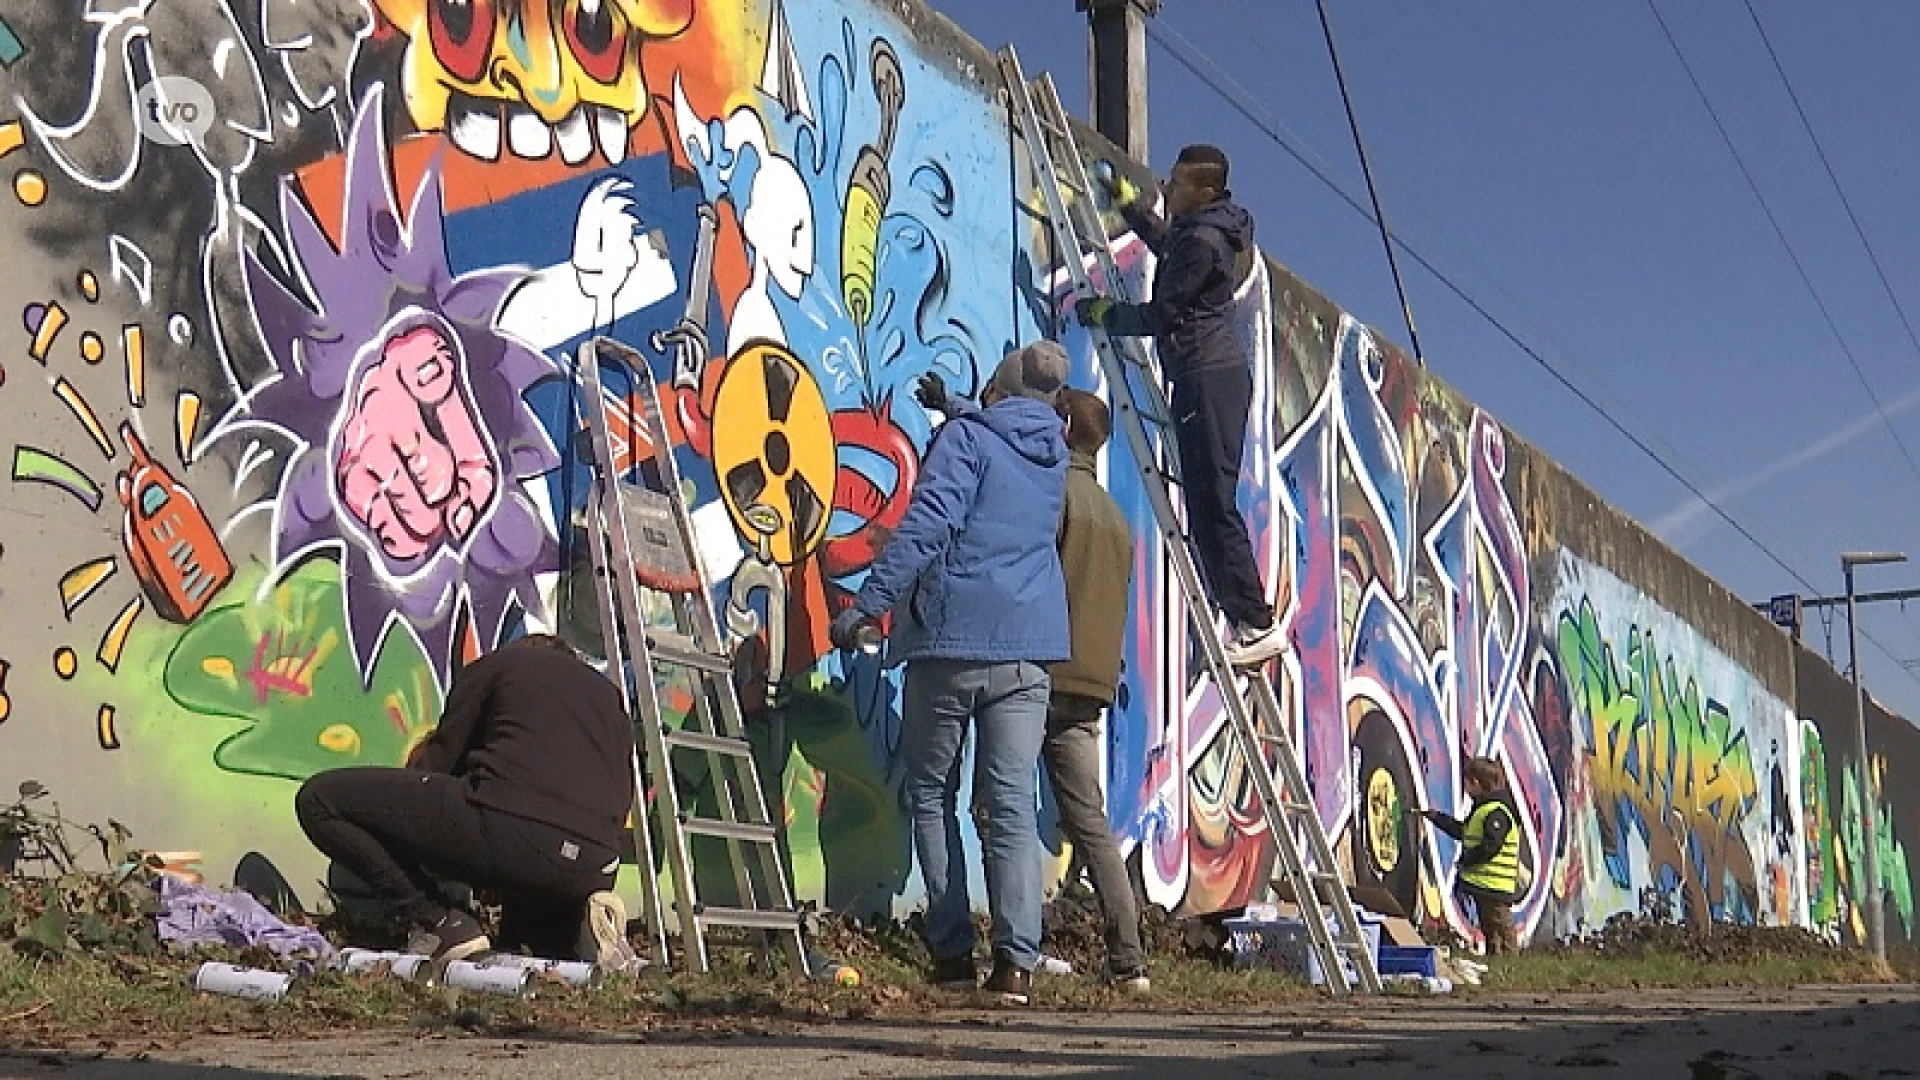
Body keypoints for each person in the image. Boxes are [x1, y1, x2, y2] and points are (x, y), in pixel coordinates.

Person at [830, 341, 1073, 1007]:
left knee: (933, 793)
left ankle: (951, 952)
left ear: (996, 387)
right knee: (1011, 809)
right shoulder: (1051, 452)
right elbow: (1003, 430)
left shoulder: (967, 442)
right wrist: (955, 408)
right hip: (1026, 652)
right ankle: (1017, 965)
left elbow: (929, 524)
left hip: (952, 641)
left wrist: (867, 607)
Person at [295, 634, 637, 970]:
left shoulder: (499, 665)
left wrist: (433, 851)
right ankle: (581, 928)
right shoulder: (610, 699)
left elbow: (439, 765)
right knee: (526, 949)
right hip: (594, 864)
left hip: (509, 831)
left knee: (320, 801)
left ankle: (437, 922)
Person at [1075, 144, 1282, 668]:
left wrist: (1107, 313)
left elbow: (1165, 312)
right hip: (1209, 374)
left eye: (1179, 182)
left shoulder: (1206, 239)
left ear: (1206, 191)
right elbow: (1170, 245)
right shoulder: (1204, 231)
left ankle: (1255, 622)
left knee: (1213, 503)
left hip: (1205, 375)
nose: (1169, 186)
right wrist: (1131, 208)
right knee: (1209, 500)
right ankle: (1245, 617)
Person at [1043, 387, 1150, 993]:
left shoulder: (1053, 495)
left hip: (1043, 672)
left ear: (1061, 429)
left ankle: (1013, 954)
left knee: (995, 804)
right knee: (1090, 822)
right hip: (1092, 682)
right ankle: (1129, 960)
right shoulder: (1114, 515)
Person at [1419, 757, 1526, 956]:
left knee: (1500, 922)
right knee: (1489, 925)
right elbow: (1464, 832)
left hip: (1494, 883)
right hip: (1483, 882)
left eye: (1467, 783)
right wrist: (1437, 818)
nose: (1466, 789)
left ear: (1476, 782)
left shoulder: (1497, 812)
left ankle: (1512, 959)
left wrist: (1469, 859)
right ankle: (1497, 959)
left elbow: (1491, 845)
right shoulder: (1482, 810)